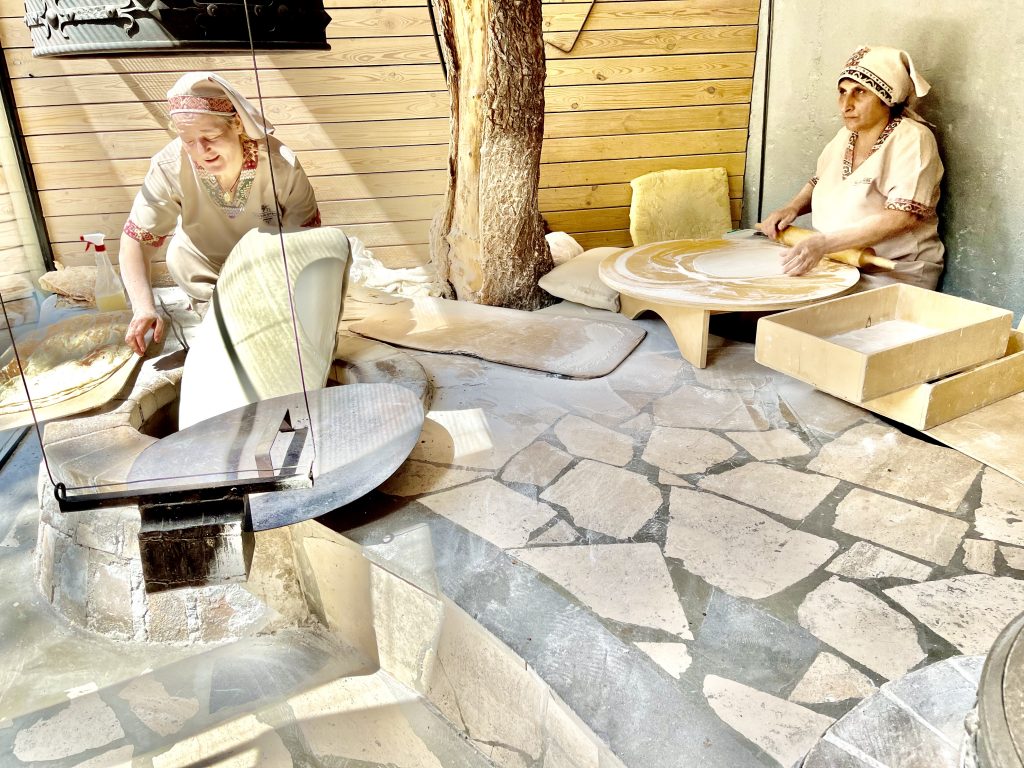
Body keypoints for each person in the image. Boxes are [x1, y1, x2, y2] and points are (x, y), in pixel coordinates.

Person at [120, 72, 322, 355]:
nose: (201, 150)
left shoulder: (280, 164)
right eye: (188, 140)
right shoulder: (169, 165)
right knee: (228, 348)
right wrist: (143, 307)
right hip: (204, 272)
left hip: (270, 272)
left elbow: (306, 241)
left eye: (211, 136)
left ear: (237, 124)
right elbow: (136, 240)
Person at [758, 46, 944, 289]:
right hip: (840, 261)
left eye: (860, 92)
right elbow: (820, 181)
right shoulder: (844, 136)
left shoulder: (913, 139)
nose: (846, 105)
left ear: (887, 98)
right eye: (842, 92)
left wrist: (825, 244)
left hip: (892, 272)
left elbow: (902, 217)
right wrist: (792, 208)